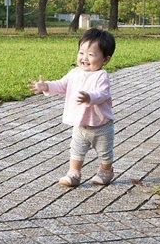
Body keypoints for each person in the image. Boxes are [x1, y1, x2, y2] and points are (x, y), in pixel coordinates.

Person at [29, 28, 116, 187]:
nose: (84, 58)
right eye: (81, 52)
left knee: (105, 153)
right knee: (76, 150)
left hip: (101, 126)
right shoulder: (74, 73)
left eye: (91, 54)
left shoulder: (101, 76)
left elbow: (102, 93)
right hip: (80, 124)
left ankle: (106, 171)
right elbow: (61, 85)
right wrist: (46, 86)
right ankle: (74, 173)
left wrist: (90, 97)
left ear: (105, 59)